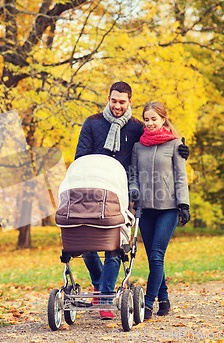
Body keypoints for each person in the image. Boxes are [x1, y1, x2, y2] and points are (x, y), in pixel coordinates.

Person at [75, 82, 189, 319]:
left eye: (122, 102)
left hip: (123, 196)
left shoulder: (136, 128)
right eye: (114, 100)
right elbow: (80, 157)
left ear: (129, 102)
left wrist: (182, 151)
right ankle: (99, 284)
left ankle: (107, 297)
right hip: (94, 191)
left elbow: (158, 136)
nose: (117, 106)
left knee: (117, 247)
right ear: (108, 98)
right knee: (86, 246)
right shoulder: (92, 123)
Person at [128, 101, 190, 321]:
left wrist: (184, 204)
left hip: (169, 208)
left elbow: (181, 176)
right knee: (154, 258)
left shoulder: (175, 145)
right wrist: (134, 191)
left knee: (156, 255)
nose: (150, 123)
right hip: (145, 209)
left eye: (154, 118)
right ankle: (164, 299)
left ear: (163, 119)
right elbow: (132, 175)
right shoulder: (138, 146)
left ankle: (147, 304)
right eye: (146, 119)